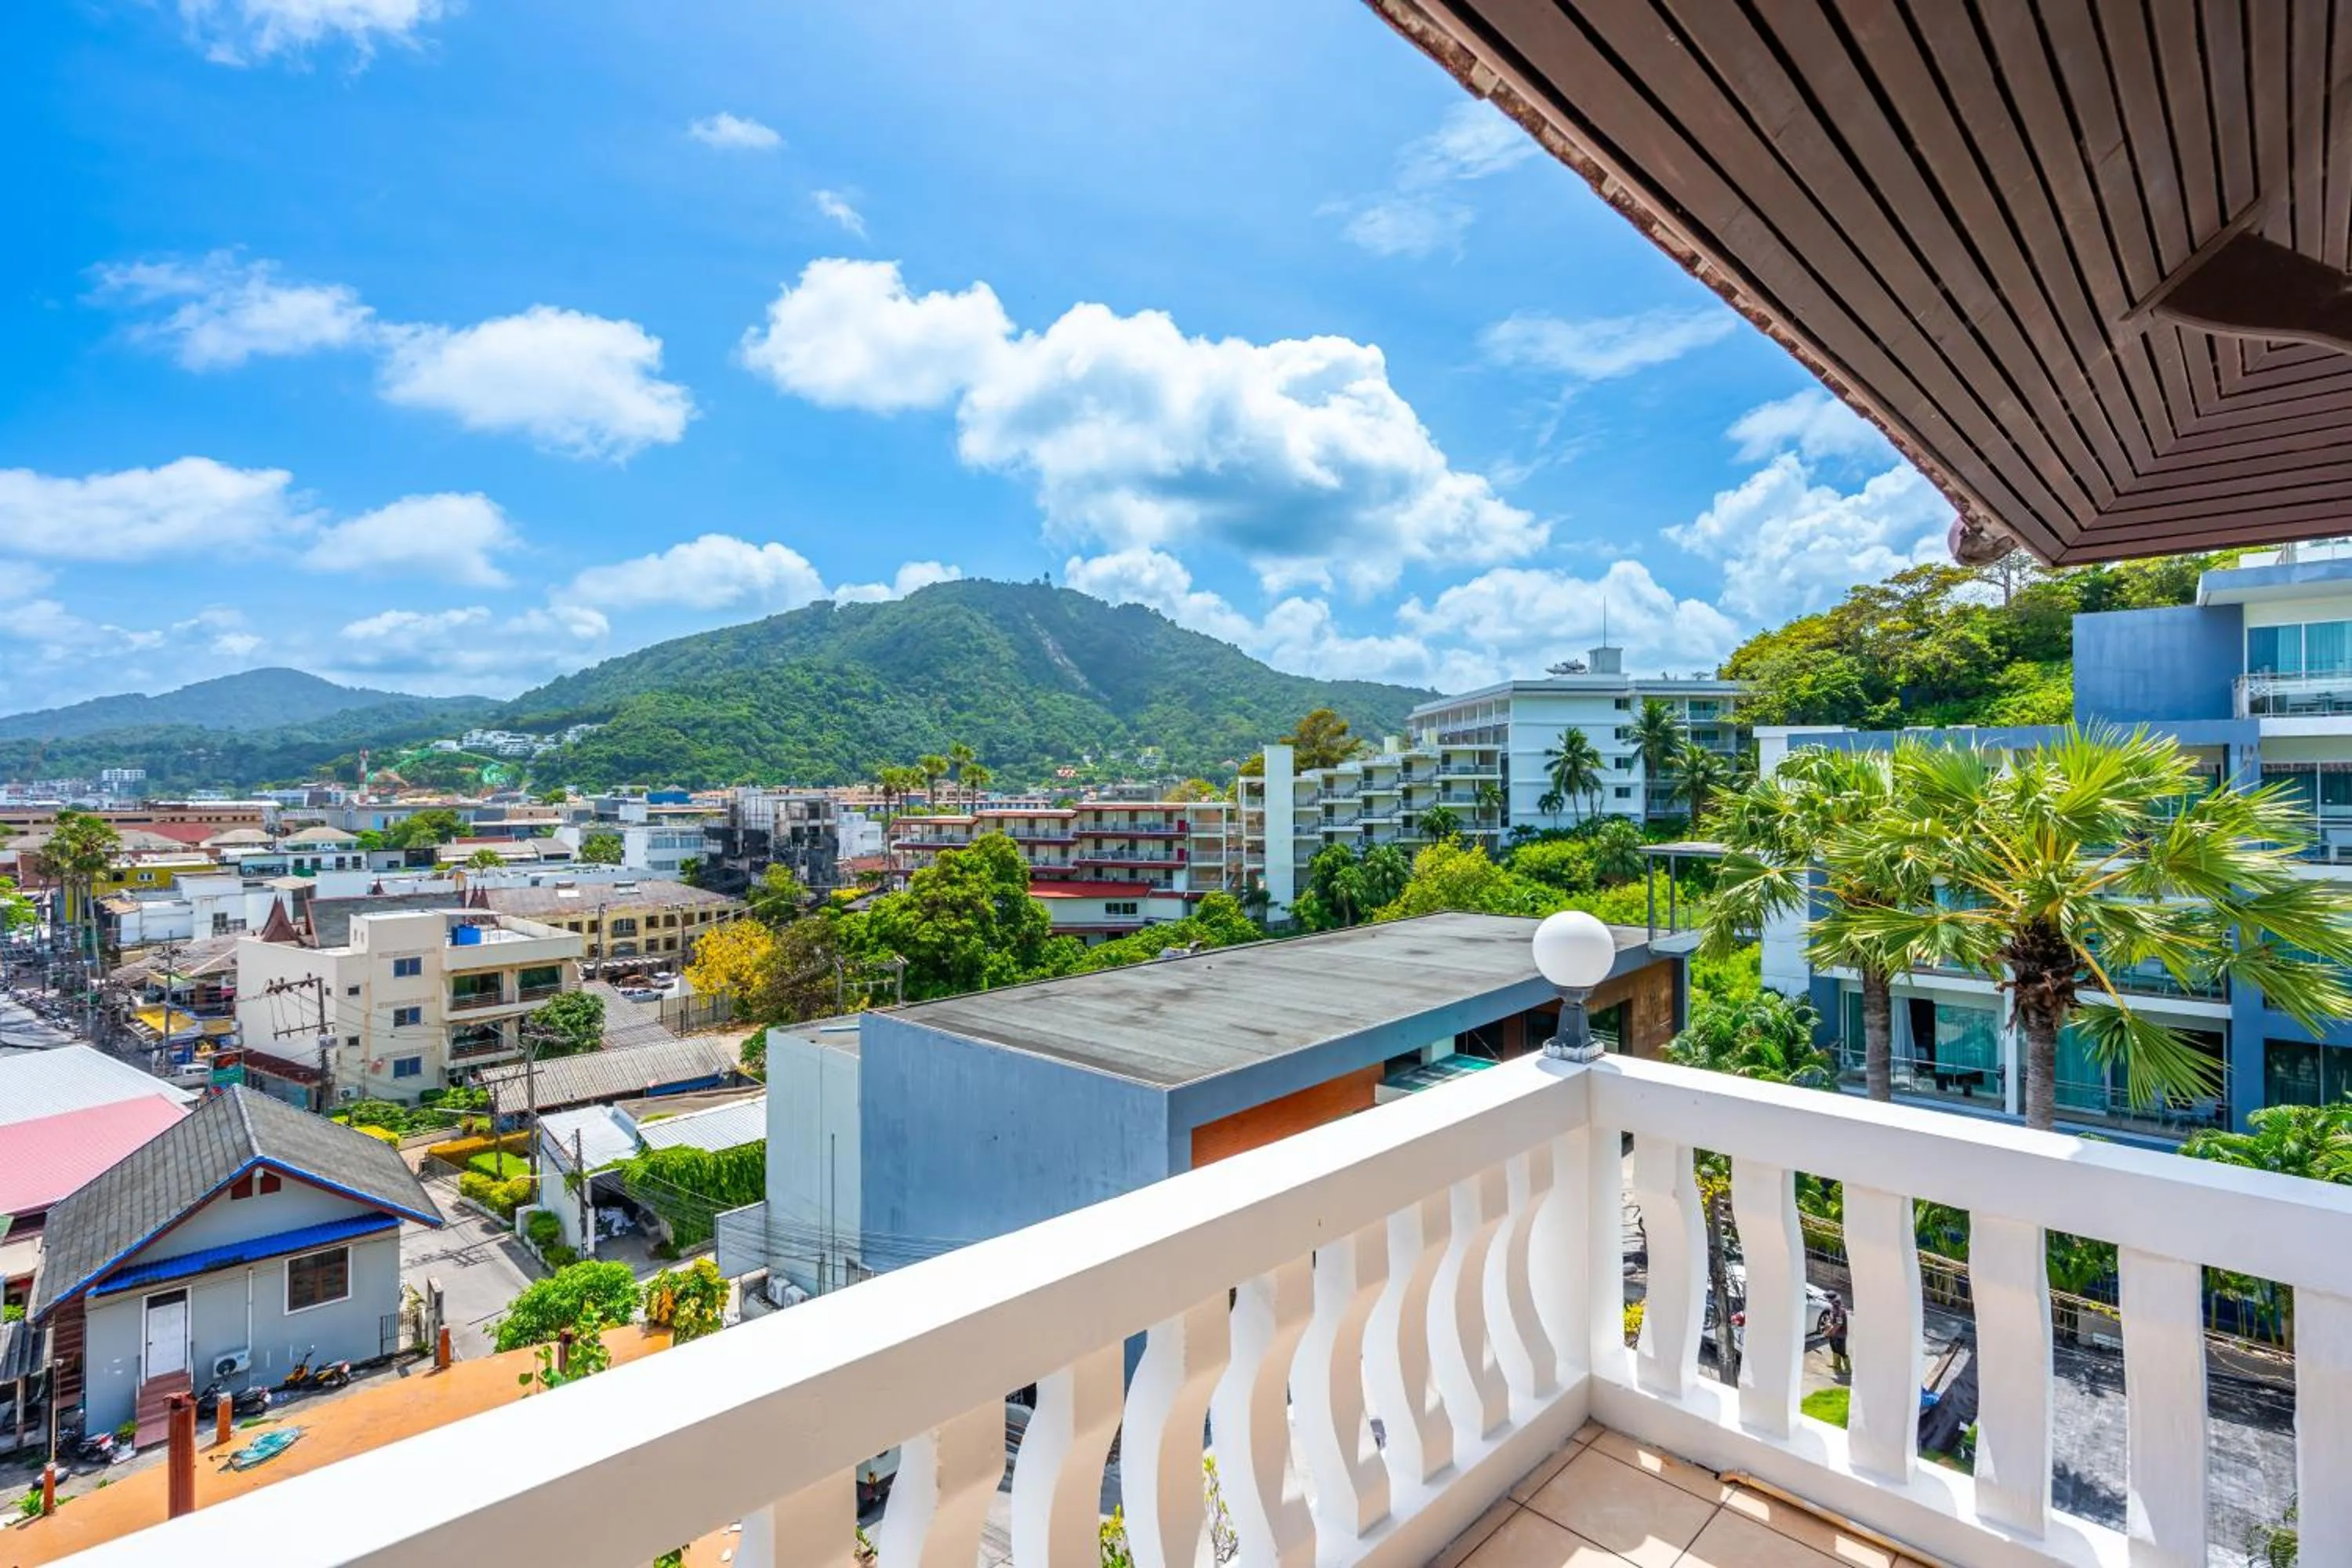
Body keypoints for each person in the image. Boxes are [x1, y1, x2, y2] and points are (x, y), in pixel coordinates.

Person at [1824, 1292, 1850, 1376]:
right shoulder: (1833, 1306)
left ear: (1831, 1299)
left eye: (1827, 1299)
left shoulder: (1838, 1309)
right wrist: (1828, 1322)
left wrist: (1828, 1332)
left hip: (1840, 1335)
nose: (1827, 1300)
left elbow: (1839, 1323)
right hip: (1834, 1334)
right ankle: (1836, 1365)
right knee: (1834, 1350)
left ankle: (1848, 1369)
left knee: (1842, 1352)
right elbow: (1833, 1319)